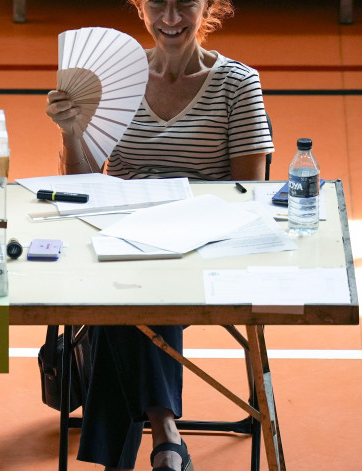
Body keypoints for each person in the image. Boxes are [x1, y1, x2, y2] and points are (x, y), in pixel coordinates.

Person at [45, 1, 273, 470]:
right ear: (141, 7)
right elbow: (84, 184)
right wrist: (71, 133)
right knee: (132, 279)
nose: (170, 16)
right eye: (157, 4)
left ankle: (142, 445)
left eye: (184, 3)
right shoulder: (114, 81)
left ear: (207, 6)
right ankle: (166, 439)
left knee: (134, 292)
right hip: (122, 237)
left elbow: (251, 193)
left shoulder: (238, 84)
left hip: (206, 243)